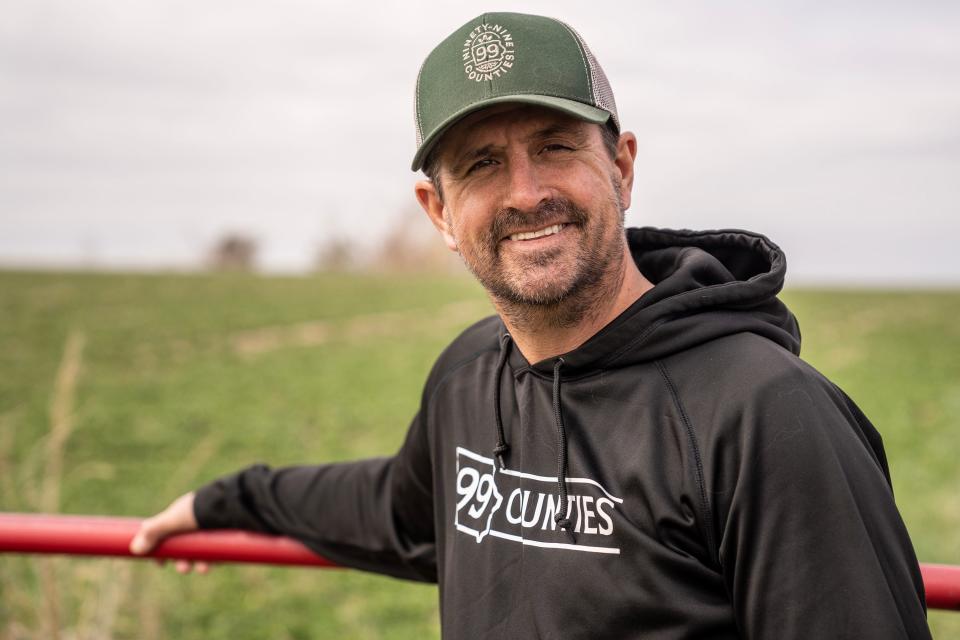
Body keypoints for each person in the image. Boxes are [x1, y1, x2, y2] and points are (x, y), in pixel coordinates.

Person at [131, 12, 931, 639]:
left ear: (621, 167)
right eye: (481, 163)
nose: (525, 192)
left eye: (555, 146)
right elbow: (400, 509)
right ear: (439, 212)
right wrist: (227, 500)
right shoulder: (470, 375)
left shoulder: (767, 417)